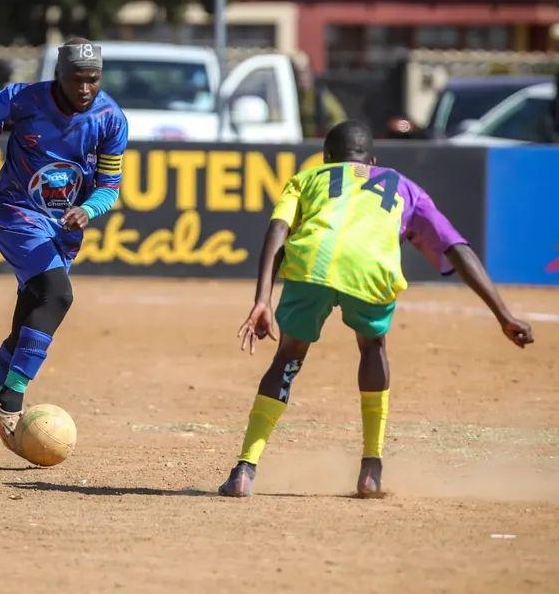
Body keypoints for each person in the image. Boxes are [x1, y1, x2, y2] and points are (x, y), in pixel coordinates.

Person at [219, 120, 534, 499]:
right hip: (370, 270)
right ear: (372, 161)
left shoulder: (307, 178)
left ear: (327, 157)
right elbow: (456, 247)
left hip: (312, 263)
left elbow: (278, 229)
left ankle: (245, 468)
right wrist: (503, 314)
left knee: (288, 357)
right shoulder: (404, 186)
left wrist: (262, 299)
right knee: (372, 347)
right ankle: (371, 468)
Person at [0, 37, 127, 460]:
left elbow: (110, 186)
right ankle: (11, 402)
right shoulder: (23, 99)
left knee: (27, 323)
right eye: (77, 79)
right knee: (58, 295)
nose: (85, 88)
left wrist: (88, 209)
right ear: (59, 75)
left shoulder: (110, 119)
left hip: (64, 228)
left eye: (93, 79)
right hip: (16, 213)